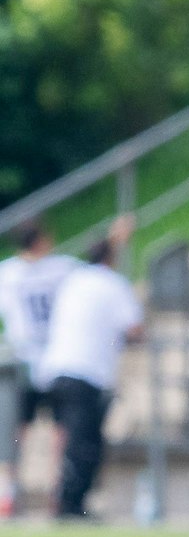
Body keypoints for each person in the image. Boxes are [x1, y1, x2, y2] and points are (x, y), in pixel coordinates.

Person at [0, 216, 129, 517]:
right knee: (62, 430)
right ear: (42, 240)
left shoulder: (7, 273)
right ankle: (58, 490)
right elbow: (95, 269)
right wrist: (115, 239)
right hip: (55, 359)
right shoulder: (61, 269)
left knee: (18, 430)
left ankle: (9, 491)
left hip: (24, 360)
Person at [39, 236, 144, 521]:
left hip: (56, 368)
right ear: (111, 258)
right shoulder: (113, 284)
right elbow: (134, 327)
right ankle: (71, 504)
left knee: (67, 437)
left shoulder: (73, 280)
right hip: (86, 372)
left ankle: (62, 497)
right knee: (85, 443)